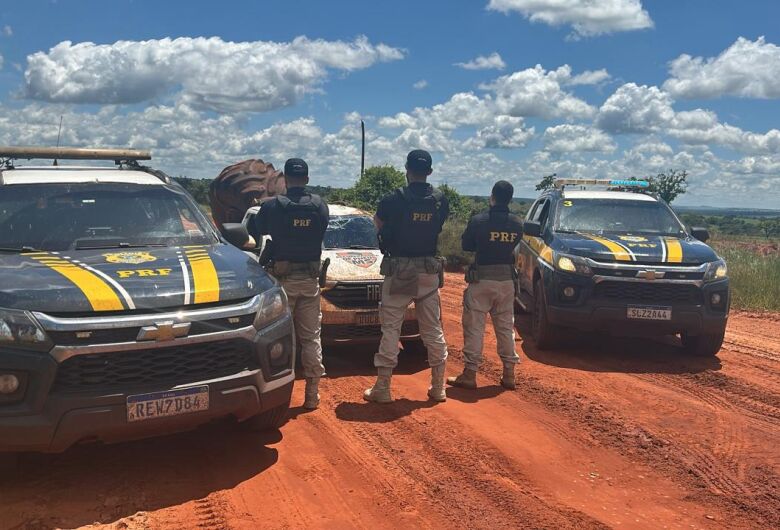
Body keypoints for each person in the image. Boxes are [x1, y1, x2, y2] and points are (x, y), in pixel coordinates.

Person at [364, 150, 450, 404]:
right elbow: (437, 227)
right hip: (428, 270)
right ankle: (438, 387)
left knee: (391, 329)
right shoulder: (440, 200)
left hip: (400, 269)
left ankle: (383, 388)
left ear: (406, 170)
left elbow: (378, 223)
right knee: (432, 329)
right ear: (430, 172)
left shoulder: (394, 198)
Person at [250, 158, 328, 410]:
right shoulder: (319, 206)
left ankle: (278, 397)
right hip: (310, 282)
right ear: (306, 179)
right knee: (311, 338)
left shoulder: (273, 206)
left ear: (285, 180)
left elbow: (257, 229)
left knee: (278, 339)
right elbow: (322, 229)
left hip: (282, 284)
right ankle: (312, 395)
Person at [448, 180, 522, 391]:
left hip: (481, 280)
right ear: (510, 199)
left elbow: (466, 245)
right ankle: (509, 375)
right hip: (506, 281)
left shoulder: (479, 221)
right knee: (506, 327)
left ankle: (470, 374)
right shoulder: (517, 223)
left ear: (492, 197)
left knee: (474, 327)